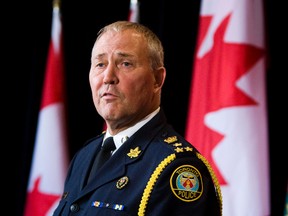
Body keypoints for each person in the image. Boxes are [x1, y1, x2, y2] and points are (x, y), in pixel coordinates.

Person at [53, 20, 222, 216]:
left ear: (157, 80)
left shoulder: (177, 168)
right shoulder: (84, 155)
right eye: (100, 64)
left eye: (125, 63)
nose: (108, 77)